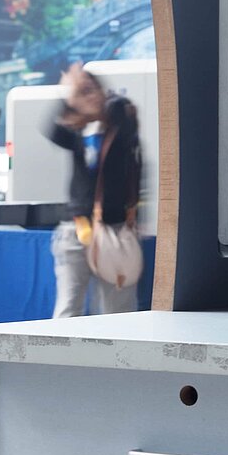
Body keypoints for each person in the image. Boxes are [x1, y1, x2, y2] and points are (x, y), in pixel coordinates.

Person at [47, 64, 142, 318]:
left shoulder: (120, 123)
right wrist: (68, 94)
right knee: (68, 308)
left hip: (114, 230)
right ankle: (63, 358)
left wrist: (96, 102)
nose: (85, 96)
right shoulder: (76, 132)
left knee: (118, 313)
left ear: (102, 91)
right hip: (75, 230)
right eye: (80, 92)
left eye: (90, 90)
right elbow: (53, 130)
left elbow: (123, 113)